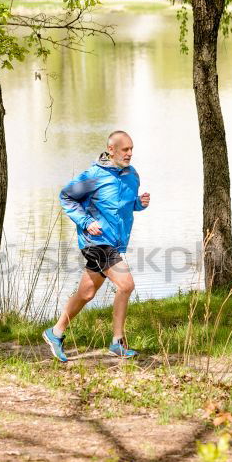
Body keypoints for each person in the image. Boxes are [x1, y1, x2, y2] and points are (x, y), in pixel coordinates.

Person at [43, 131, 150, 361]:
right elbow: (66, 197)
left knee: (87, 292)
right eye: (125, 149)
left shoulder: (132, 175)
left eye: (131, 149)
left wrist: (139, 204)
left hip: (114, 242)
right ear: (111, 150)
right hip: (97, 241)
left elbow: (126, 206)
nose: (130, 153)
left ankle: (55, 332)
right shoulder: (94, 175)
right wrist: (86, 222)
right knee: (126, 284)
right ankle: (117, 342)